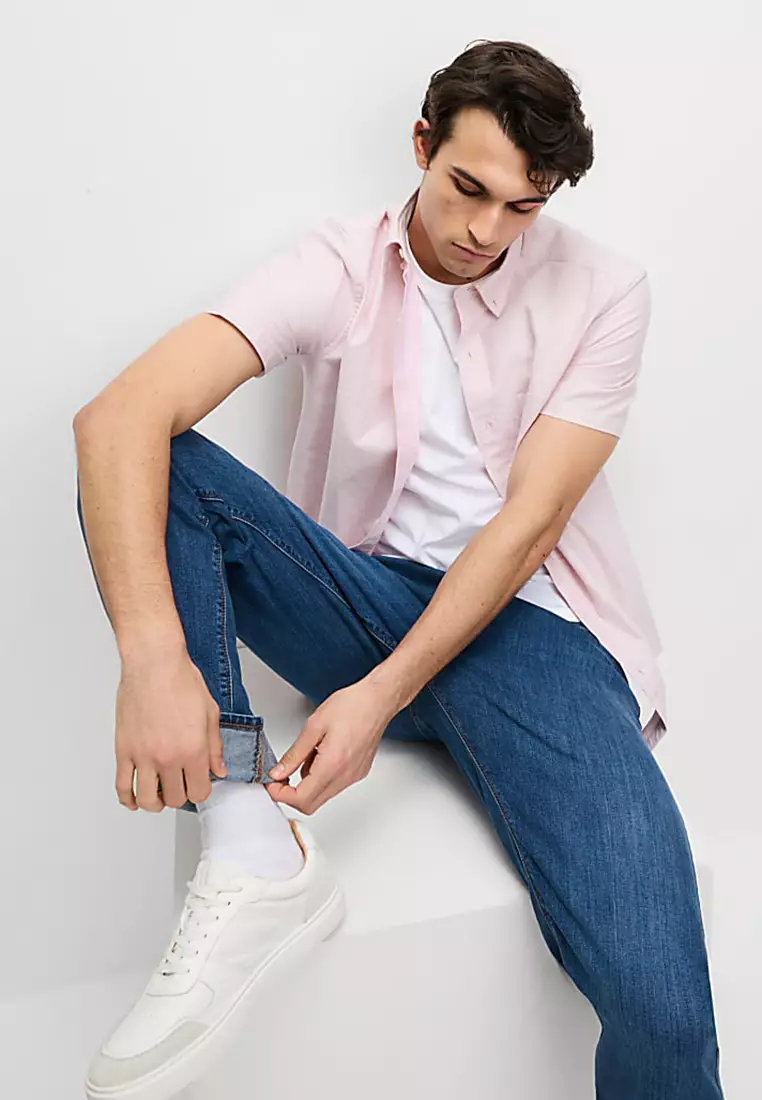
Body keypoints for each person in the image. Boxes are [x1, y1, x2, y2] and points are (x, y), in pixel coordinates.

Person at [73, 38, 724, 1100]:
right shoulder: (337, 266)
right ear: (422, 143)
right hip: (362, 601)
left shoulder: (606, 291)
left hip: (534, 636)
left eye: (523, 207)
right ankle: (247, 840)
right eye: (468, 188)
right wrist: (151, 657)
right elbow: (116, 420)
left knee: (665, 1010)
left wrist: (378, 697)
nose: (487, 231)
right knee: (166, 462)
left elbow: (529, 526)